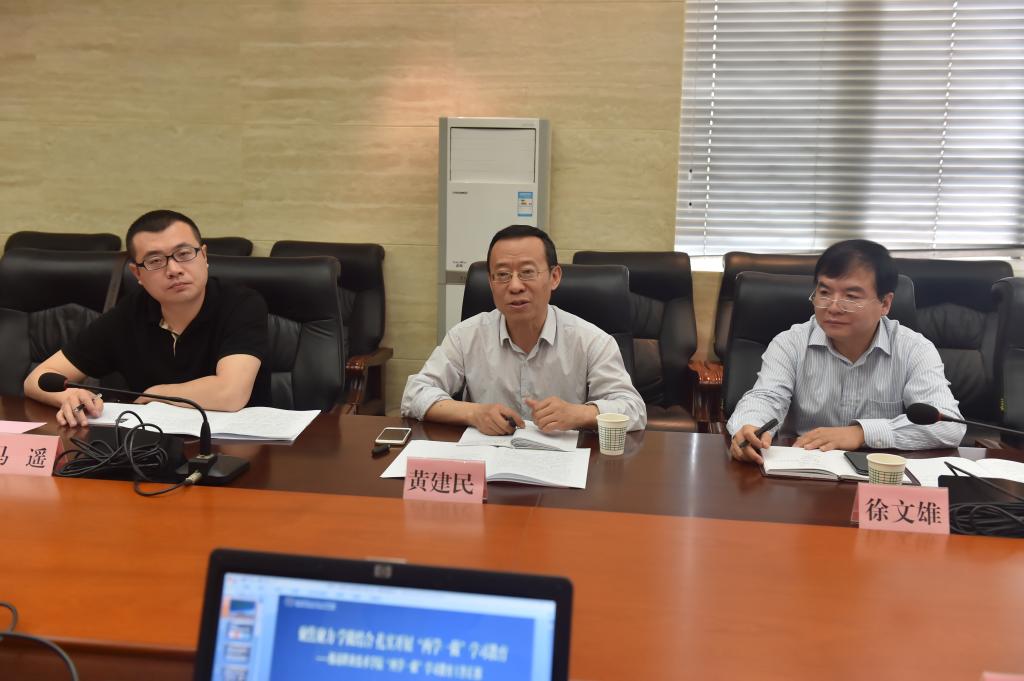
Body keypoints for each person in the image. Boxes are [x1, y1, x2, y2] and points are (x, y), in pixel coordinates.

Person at [24, 210, 271, 427]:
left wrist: (156, 393)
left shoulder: (241, 304)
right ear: (137, 273)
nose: (174, 270)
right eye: (155, 261)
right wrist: (68, 396)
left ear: (204, 257)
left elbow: (230, 393)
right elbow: (38, 378)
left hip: (238, 445)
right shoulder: (130, 313)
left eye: (184, 254)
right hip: (150, 447)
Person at [728, 239, 965, 463]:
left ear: (885, 303)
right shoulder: (790, 343)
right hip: (801, 467)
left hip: (877, 474)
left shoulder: (914, 349)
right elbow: (766, 397)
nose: (833, 307)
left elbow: (948, 425)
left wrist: (861, 433)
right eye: (824, 293)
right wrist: (750, 426)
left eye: (851, 297)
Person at [402, 225, 646, 435]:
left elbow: (633, 409)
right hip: (487, 462)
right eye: (503, 275)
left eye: (527, 272)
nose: (515, 286)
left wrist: (579, 414)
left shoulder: (591, 340)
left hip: (562, 464)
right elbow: (415, 394)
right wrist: (474, 413)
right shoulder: (465, 336)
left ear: (554, 277)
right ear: (491, 282)